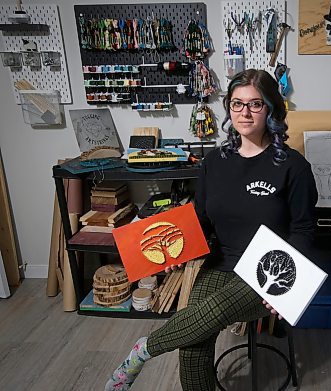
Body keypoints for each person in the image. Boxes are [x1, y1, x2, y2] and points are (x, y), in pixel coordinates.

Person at [104, 69, 318, 391]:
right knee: (192, 349)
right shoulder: (214, 161)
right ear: (229, 109)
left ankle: (142, 351)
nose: (244, 112)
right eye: (237, 104)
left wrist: (287, 284)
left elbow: (303, 230)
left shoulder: (293, 166)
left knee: (213, 310)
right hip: (220, 262)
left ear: (271, 109)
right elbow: (201, 220)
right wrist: (178, 248)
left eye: (255, 104)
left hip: (266, 271)